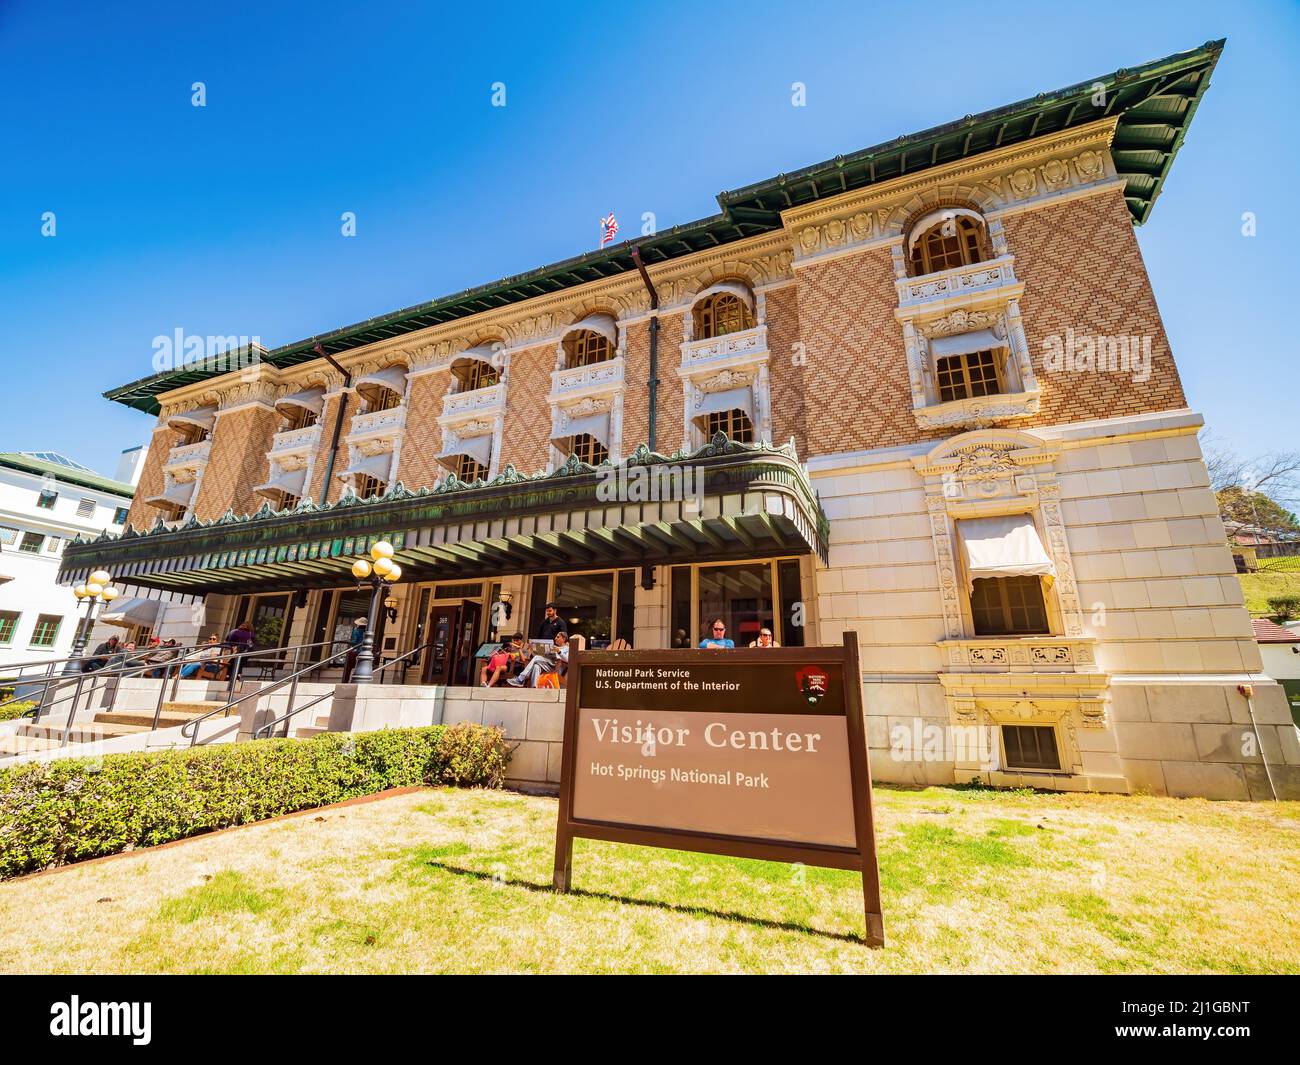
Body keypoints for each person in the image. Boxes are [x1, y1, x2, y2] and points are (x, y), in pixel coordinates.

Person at [341, 617, 368, 683]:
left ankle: (345, 681)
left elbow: (354, 642)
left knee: (348, 669)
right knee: (359, 668)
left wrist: (348, 642)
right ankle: (354, 681)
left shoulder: (356, 631)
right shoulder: (367, 633)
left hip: (354, 652)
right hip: (363, 653)